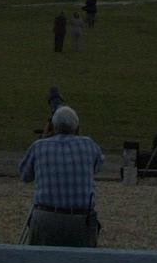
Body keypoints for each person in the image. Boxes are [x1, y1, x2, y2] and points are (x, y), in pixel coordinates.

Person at [18, 105, 103, 247]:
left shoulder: (39, 146)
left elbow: (24, 175)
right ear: (77, 126)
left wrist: (45, 137)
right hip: (81, 220)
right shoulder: (89, 145)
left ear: (52, 126)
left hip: (46, 218)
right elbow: (97, 167)